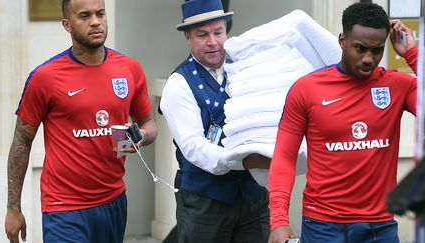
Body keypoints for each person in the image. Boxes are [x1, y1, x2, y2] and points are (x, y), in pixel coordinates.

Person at [4, 0, 157, 242]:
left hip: (113, 200)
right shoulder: (45, 77)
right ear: (67, 24)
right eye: (84, 16)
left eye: (100, 13)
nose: (95, 21)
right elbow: (22, 141)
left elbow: (149, 124)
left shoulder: (129, 69)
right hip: (64, 207)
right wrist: (13, 207)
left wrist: (141, 136)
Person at [268, 2, 418, 243]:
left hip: (379, 227)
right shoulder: (306, 89)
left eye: (377, 50)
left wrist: (412, 54)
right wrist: (278, 220)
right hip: (322, 227)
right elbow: (285, 157)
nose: (369, 59)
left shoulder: (398, 86)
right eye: (360, 48)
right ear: (342, 41)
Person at [160, 0, 270, 242]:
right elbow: (194, 147)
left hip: (253, 197)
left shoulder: (243, 72)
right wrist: (244, 161)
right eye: (202, 35)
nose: (213, 41)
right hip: (204, 202)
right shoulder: (179, 84)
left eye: (218, 32)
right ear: (187, 37)